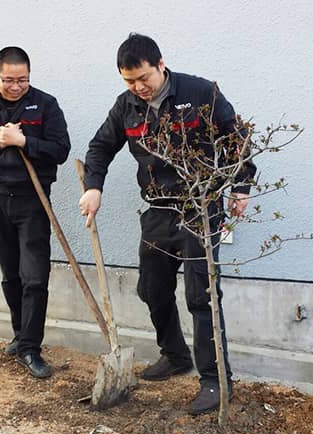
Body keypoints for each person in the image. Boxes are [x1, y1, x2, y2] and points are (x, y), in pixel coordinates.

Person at [78, 33, 256, 414]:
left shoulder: (200, 93)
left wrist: (240, 186)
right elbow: (100, 147)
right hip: (158, 209)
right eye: (129, 81)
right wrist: (94, 187)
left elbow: (236, 138)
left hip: (199, 207)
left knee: (201, 296)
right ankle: (175, 355)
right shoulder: (126, 106)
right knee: (152, 288)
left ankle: (215, 380)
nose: (138, 87)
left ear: (161, 64)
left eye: (143, 78)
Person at [0, 47, 70, 379]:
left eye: (23, 80)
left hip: (33, 200)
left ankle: (30, 348)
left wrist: (24, 143)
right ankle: (20, 334)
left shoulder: (46, 105)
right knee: (11, 274)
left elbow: (61, 150)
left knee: (35, 277)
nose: (16, 86)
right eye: (9, 80)